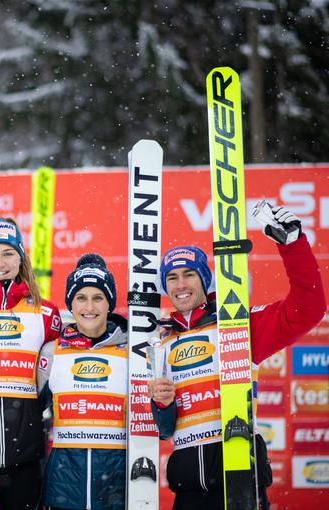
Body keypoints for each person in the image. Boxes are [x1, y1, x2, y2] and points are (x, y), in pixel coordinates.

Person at [148, 205, 326, 510]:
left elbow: (307, 310)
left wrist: (293, 245)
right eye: (172, 277)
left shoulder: (237, 326)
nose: (180, 285)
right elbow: (165, 429)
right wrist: (162, 403)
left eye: (189, 274)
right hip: (188, 487)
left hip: (239, 480)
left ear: (205, 280)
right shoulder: (161, 341)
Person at [0, 218, 62, 510]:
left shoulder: (46, 313)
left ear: (21, 258)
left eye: (8, 253)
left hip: (26, 452)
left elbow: (57, 378)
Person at [37, 253, 128, 510]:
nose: (89, 307)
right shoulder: (52, 352)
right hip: (64, 489)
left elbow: (157, 423)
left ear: (109, 303)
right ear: (71, 304)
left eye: (98, 298)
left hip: (115, 490)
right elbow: (29, 415)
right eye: (81, 298)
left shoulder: (131, 351)